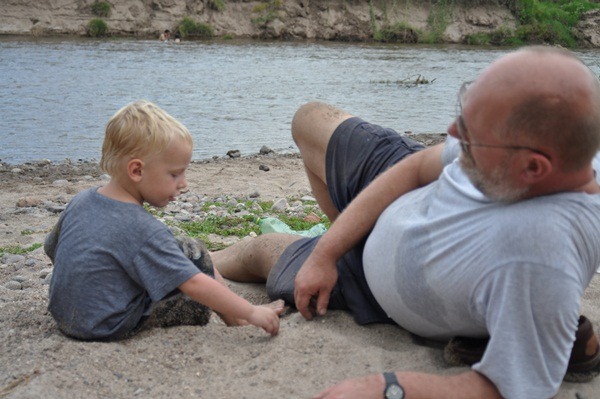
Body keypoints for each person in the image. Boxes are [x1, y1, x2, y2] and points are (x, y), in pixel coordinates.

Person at [213, 46, 600, 398]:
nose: (451, 134)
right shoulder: (517, 150)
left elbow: (503, 389)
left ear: (532, 167)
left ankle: (207, 259)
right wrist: (328, 251)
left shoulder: (541, 259)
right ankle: (335, 235)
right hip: (411, 181)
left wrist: (388, 387)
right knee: (308, 118)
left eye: (468, 133)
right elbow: (418, 166)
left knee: (255, 253)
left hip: (372, 281)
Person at [45, 100, 283, 341]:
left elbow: (52, 248)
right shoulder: (144, 230)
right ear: (137, 171)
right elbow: (194, 285)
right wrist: (252, 311)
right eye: (174, 174)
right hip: (108, 325)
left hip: (65, 316)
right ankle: (240, 319)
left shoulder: (81, 200)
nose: (184, 183)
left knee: (167, 252)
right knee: (195, 253)